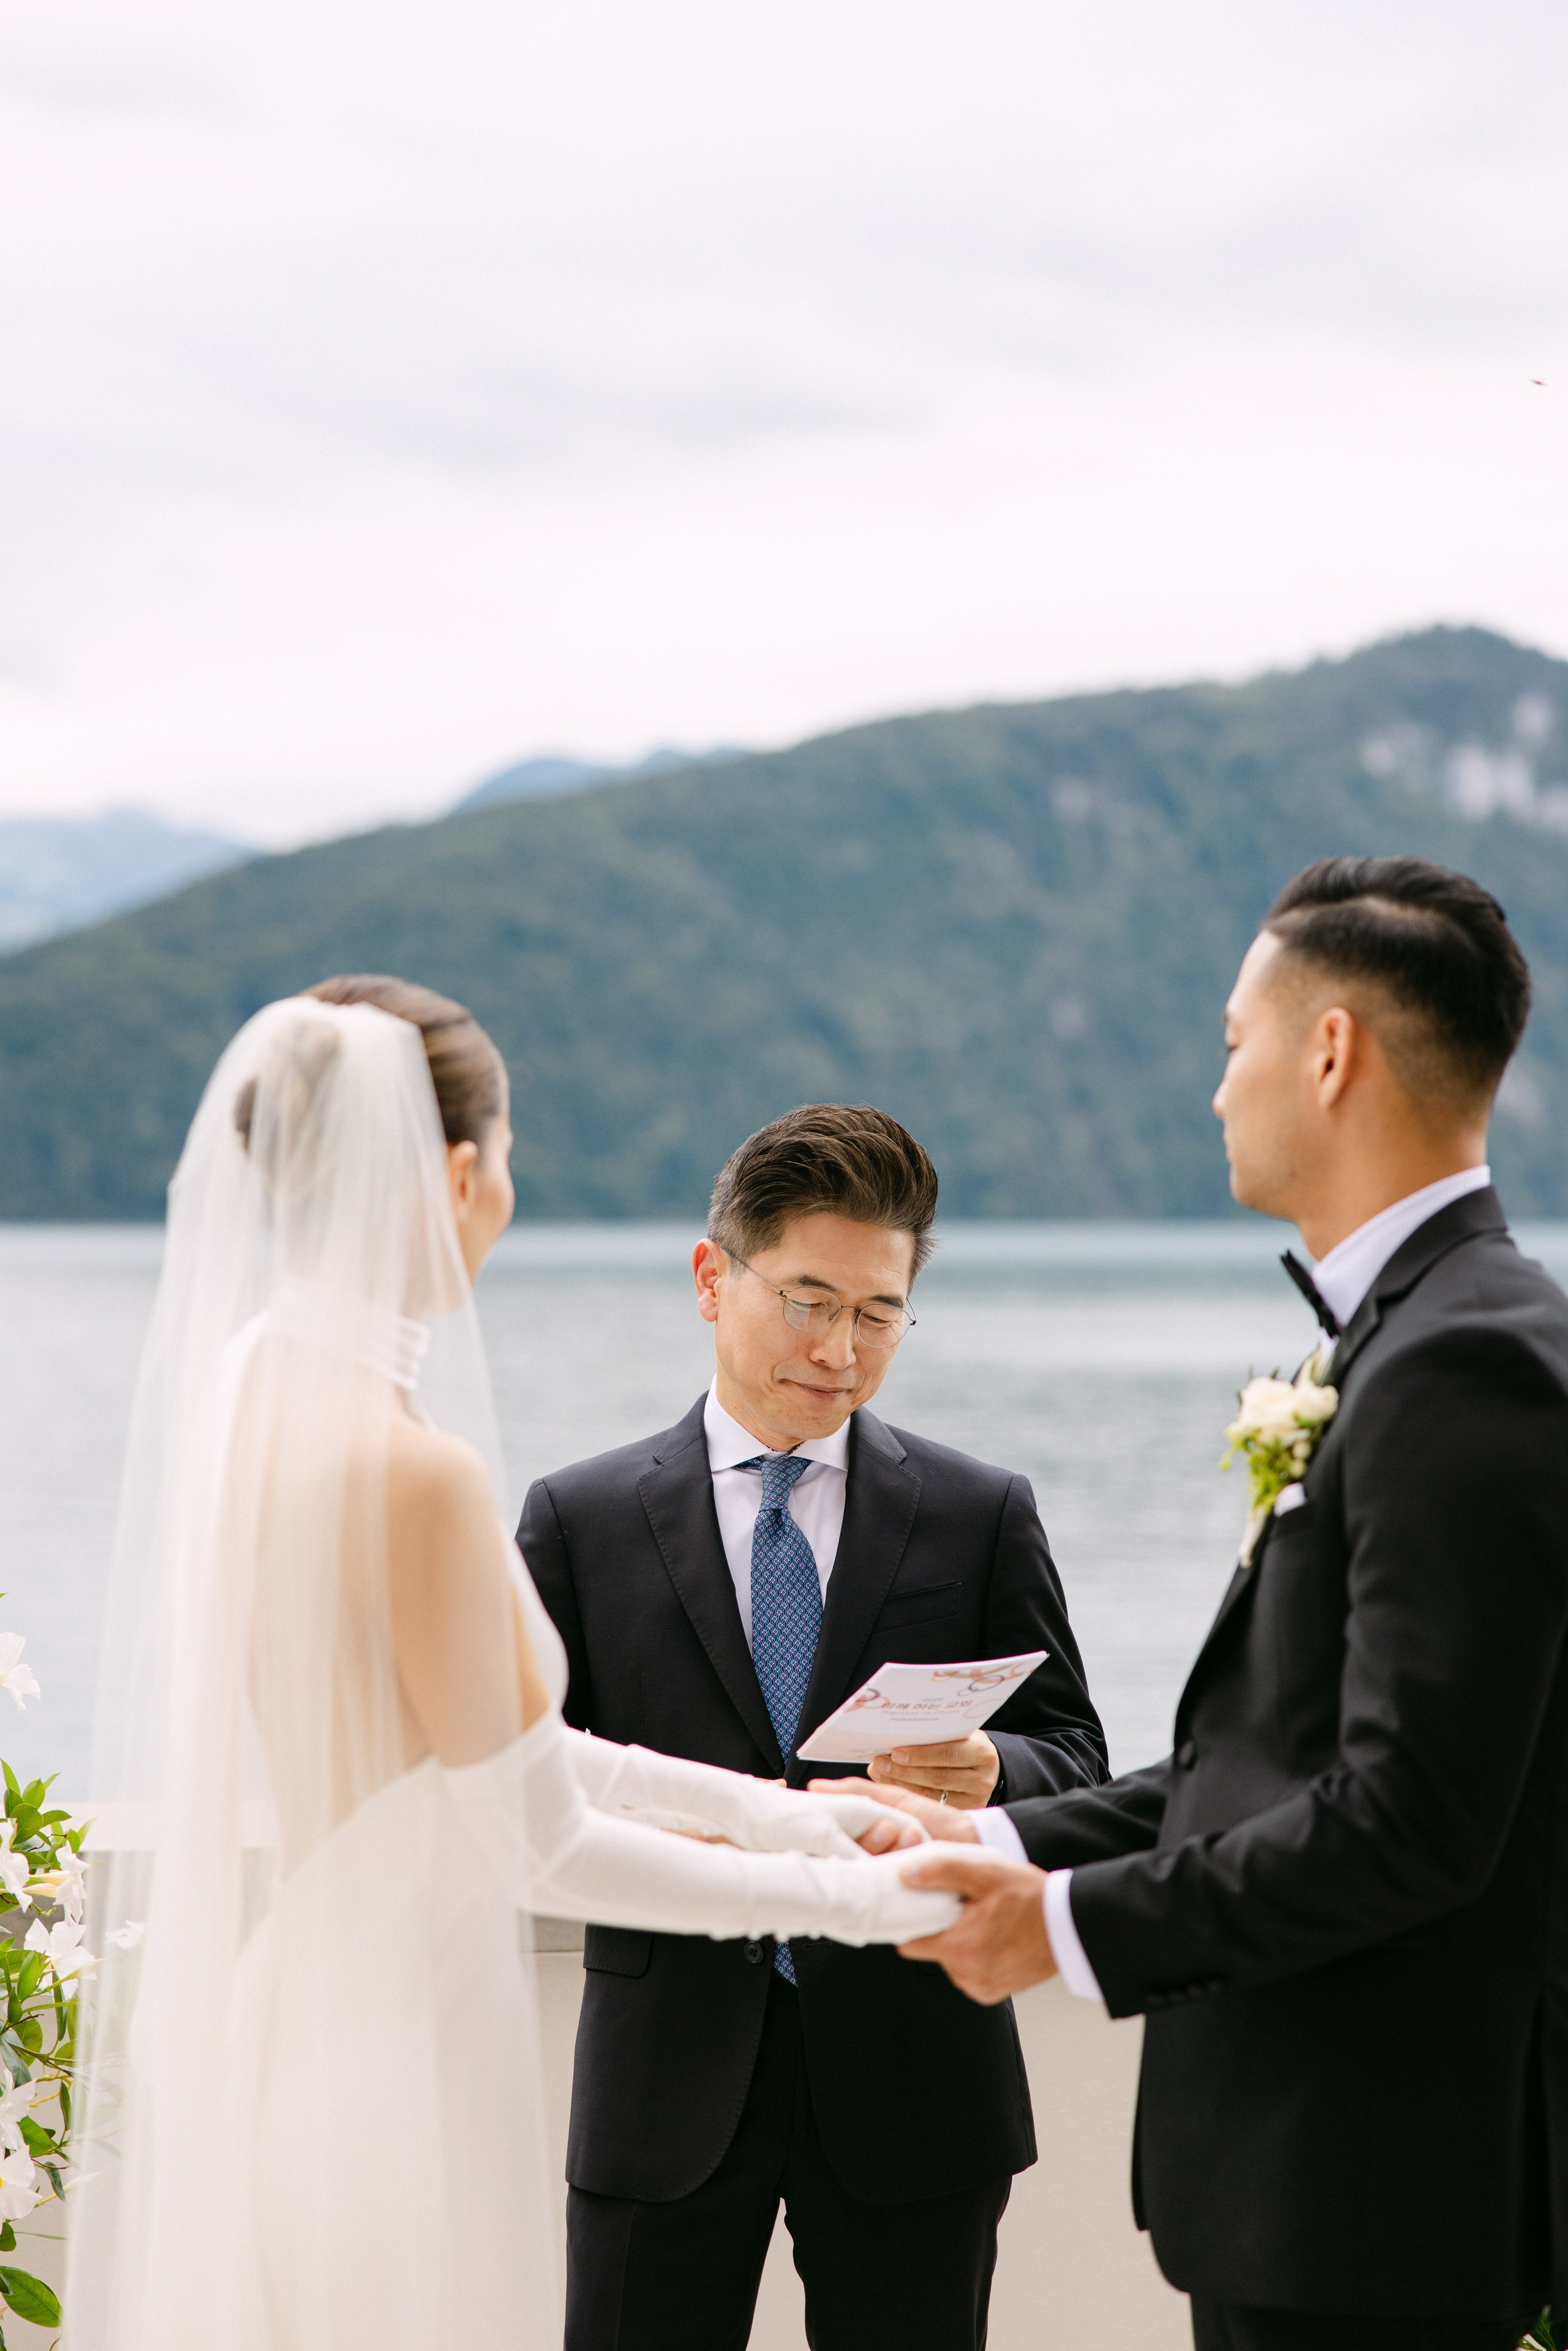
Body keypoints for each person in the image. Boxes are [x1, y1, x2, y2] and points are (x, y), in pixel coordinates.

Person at [67, 981, 959, 2351]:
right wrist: (844, 1896)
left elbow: (491, 1746)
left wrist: (784, 1810)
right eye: (511, 1163)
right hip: (386, 2060)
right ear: (458, 1174)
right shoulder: (413, 1467)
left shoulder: (250, 1384)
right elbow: (533, 1836)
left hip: (297, 1999)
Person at [865, 858, 1568, 2351]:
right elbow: (1267, 1756)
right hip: (1297, 2185)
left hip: (1376, 2189)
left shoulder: (1467, 1359)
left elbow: (1409, 1817)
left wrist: (1061, 1924)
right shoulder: (1403, 1336)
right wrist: (993, 1835)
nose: (1213, 1090)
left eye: (1230, 1043)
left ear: (1330, 1052)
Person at [520, 1102, 1108, 2351]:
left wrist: (992, 1764)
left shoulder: (976, 1511)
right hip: (662, 2075)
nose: (841, 1347)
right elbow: (526, 1782)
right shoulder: (577, 1520)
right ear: (709, 1277)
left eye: (878, 1311)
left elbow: (1077, 1755)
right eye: (806, 1298)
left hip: (915, 2076)